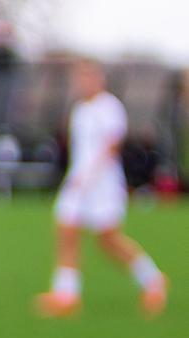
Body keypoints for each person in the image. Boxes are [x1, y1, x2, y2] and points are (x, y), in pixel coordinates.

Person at [36, 58, 168, 317]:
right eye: (79, 79)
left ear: (99, 79)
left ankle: (153, 280)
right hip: (78, 182)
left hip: (103, 184)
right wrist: (78, 176)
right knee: (66, 229)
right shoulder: (79, 109)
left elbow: (112, 146)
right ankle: (66, 294)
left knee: (108, 241)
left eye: (88, 77)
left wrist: (90, 175)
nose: (83, 83)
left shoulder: (109, 107)